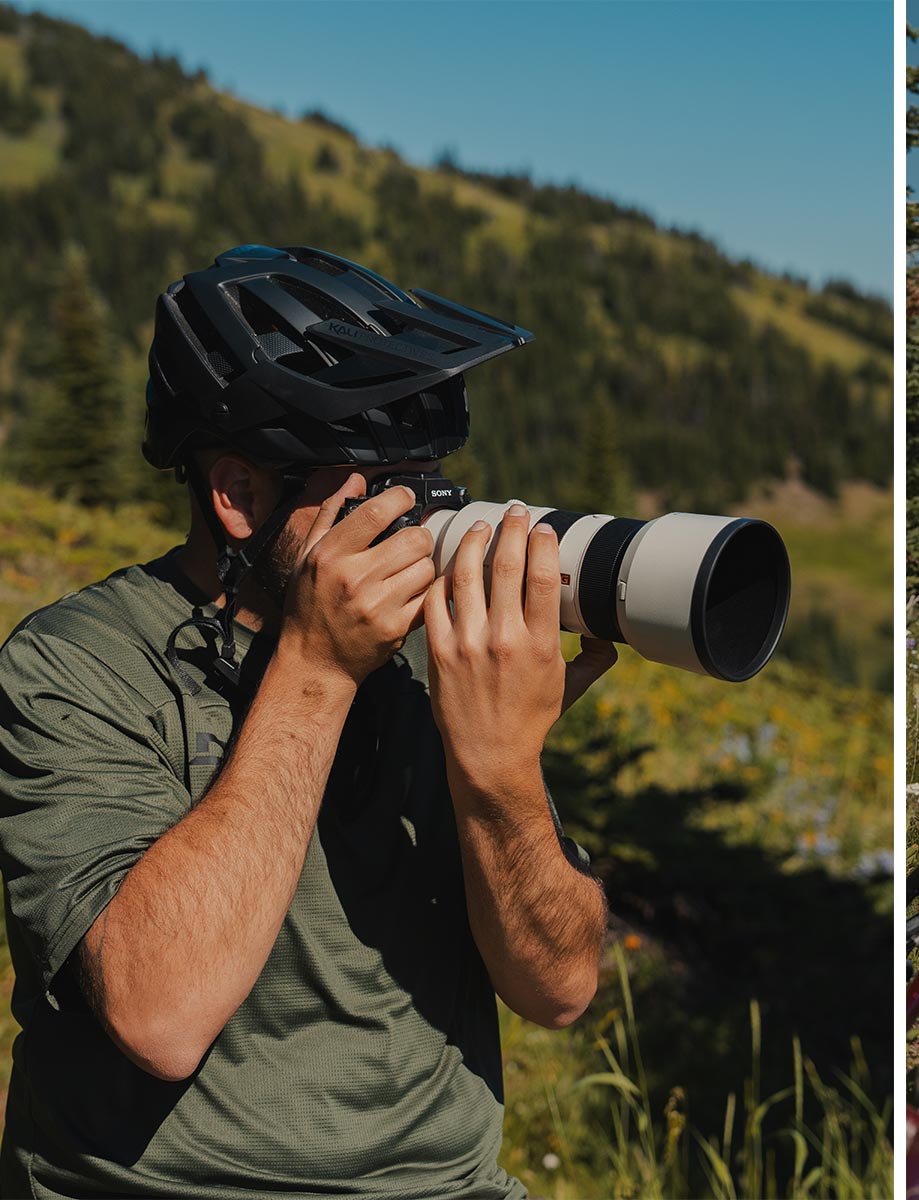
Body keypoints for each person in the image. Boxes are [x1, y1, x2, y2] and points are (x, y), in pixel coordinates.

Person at [0, 245, 617, 1199]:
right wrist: (318, 671)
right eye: (383, 494)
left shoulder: (441, 655)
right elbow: (158, 1015)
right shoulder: (78, 666)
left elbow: (560, 987)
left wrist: (502, 774)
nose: (422, 528)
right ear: (239, 496)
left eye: (435, 485)